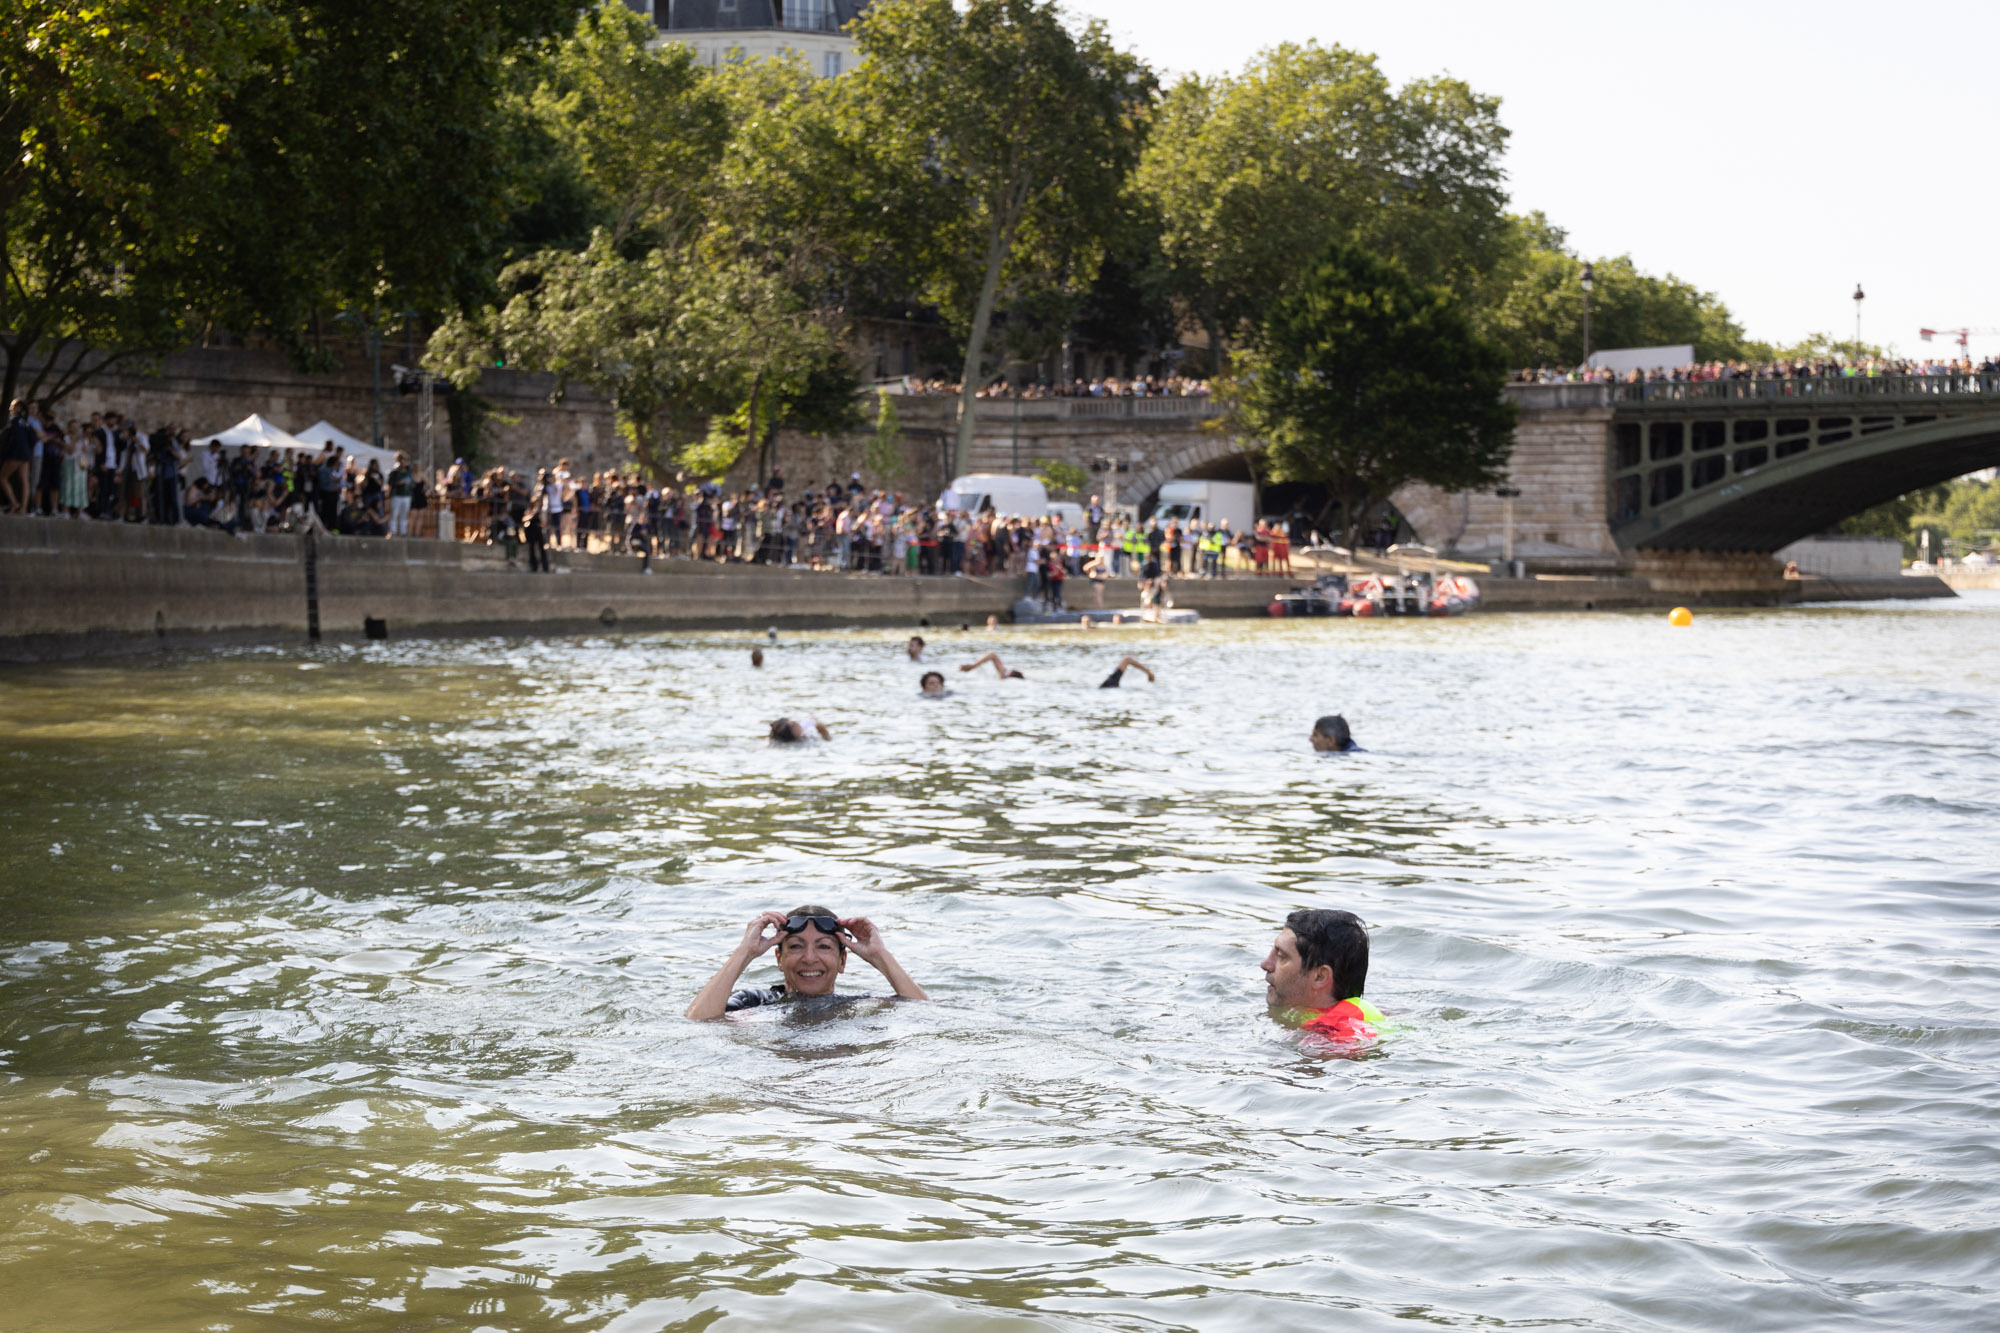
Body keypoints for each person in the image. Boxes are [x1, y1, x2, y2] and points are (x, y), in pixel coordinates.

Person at [685, 906, 928, 1020]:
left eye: (823, 946)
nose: (809, 958)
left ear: (842, 961)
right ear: (779, 959)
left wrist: (880, 956)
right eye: (796, 946)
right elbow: (698, 1022)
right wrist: (744, 953)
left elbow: (925, 1017)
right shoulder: (753, 1003)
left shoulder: (860, 1006)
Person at [1260, 907, 1383, 1042]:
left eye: (1281, 956)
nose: (1265, 964)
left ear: (1320, 977)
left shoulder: (1338, 1035)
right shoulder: (1348, 1017)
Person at [960, 651, 1024, 680]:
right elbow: (992, 654)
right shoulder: (1004, 674)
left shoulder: (1003, 673)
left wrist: (973, 666)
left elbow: (992, 654)